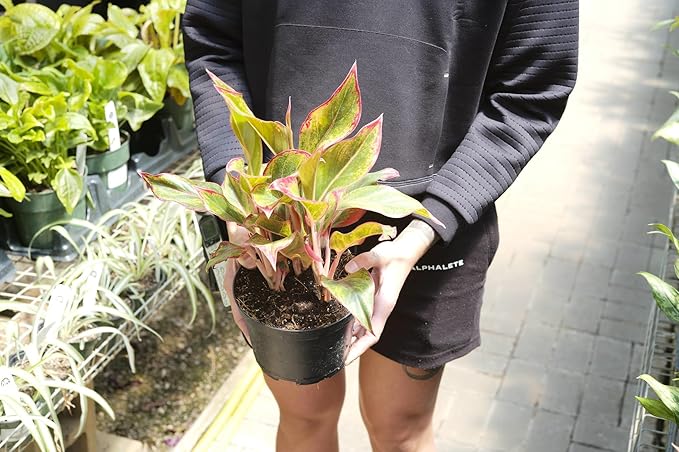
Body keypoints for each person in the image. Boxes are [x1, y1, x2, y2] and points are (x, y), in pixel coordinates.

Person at [182, 1, 578, 451]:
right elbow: (212, 38)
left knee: (400, 427)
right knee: (305, 416)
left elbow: (532, 87)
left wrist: (434, 221)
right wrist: (240, 205)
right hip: (280, 223)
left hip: (429, 222)